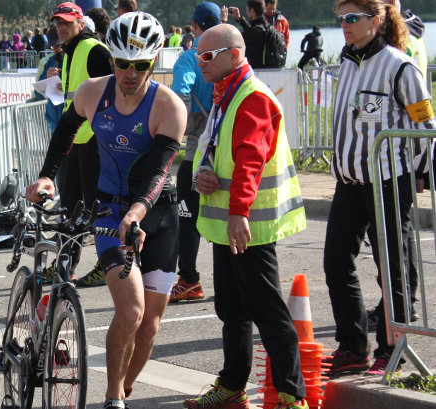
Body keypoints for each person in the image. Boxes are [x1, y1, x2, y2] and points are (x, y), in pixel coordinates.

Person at [27, 12, 183, 409]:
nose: (131, 73)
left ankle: (125, 386)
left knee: (149, 326)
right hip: (111, 213)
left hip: (158, 212)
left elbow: (157, 170)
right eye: (122, 63)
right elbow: (65, 131)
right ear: (111, 58)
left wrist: (139, 211)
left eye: (142, 65)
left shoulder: (169, 106)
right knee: (131, 311)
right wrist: (47, 176)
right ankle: (114, 397)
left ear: (155, 61)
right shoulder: (93, 92)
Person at [183, 24, 308, 409]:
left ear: (234, 55)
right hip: (229, 224)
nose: (199, 62)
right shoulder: (227, 92)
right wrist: (204, 177)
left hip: (247, 224)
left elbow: (251, 160)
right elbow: (222, 151)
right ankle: (233, 384)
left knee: (265, 308)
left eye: (206, 56)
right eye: (197, 54)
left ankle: (291, 393)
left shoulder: (251, 97)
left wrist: (239, 212)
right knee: (232, 309)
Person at [321, 0, 436, 377]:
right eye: (340, 19)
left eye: (352, 18)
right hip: (348, 182)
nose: (345, 25)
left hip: (388, 180)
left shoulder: (399, 66)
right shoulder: (347, 61)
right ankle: (353, 346)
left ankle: (393, 347)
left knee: (393, 268)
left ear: (376, 19)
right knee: (336, 262)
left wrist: (421, 172)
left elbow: (424, 124)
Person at [46, 2, 113, 287]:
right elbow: (79, 94)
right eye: (57, 23)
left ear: (80, 23)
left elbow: (112, 92)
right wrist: (61, 84)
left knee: (98, 209)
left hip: (95, 140)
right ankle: (64, 265)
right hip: (76, 139)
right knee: (69, 209)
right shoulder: (70, 52)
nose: (61, 27)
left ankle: (107, 263)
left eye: (66, 22)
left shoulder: (94, 48)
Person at [169, 1, 222, 303]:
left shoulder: (190, 58)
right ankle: (236, 279)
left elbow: (181, 90)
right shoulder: (231, 53)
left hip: (198, 152)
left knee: (187, 219)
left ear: (195, 27)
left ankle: (189, 279)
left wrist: (187, 121)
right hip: (227, 151)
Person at [228, 0, 280, 69]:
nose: (247, 13)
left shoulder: (254, 32)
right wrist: (240, 18)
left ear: (252, 11)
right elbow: (251, 30)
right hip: (270, 71)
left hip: (257, 72)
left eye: (247, 10)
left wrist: (223, 22)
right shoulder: (269, 28)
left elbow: (233, 39)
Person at [35, 28, 64, 131]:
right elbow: (38, 94)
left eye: (59, 45)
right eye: (53, 46)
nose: (57, 49)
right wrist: (47, 80)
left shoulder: (74, 59)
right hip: (54, 123)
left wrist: (65, 85)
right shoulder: (51, 61)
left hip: (71, 122)